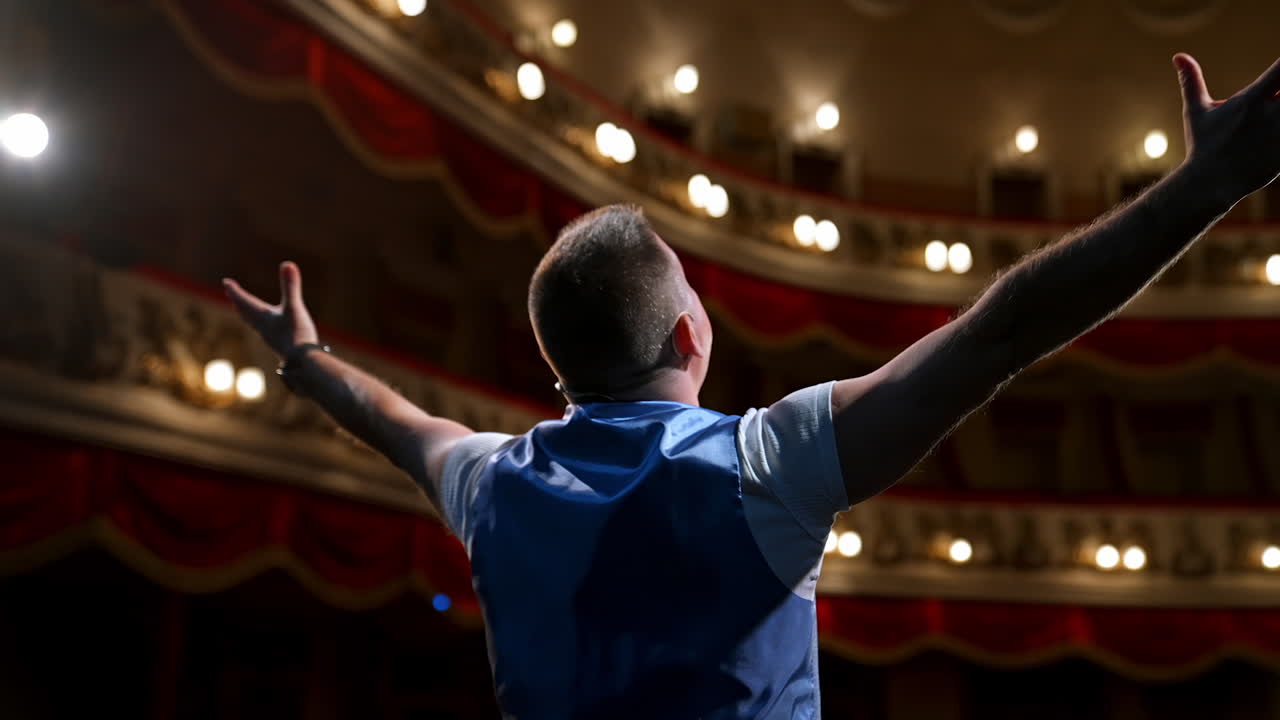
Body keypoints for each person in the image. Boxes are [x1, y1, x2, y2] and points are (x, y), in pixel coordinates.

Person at [224, 53, 1280, 718]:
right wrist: (1207, 186)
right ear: (690, 330)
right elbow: (999, 330)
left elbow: (393, 421)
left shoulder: (491, 483)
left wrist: (305, 361)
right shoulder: (760, 464)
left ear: (558, 368)